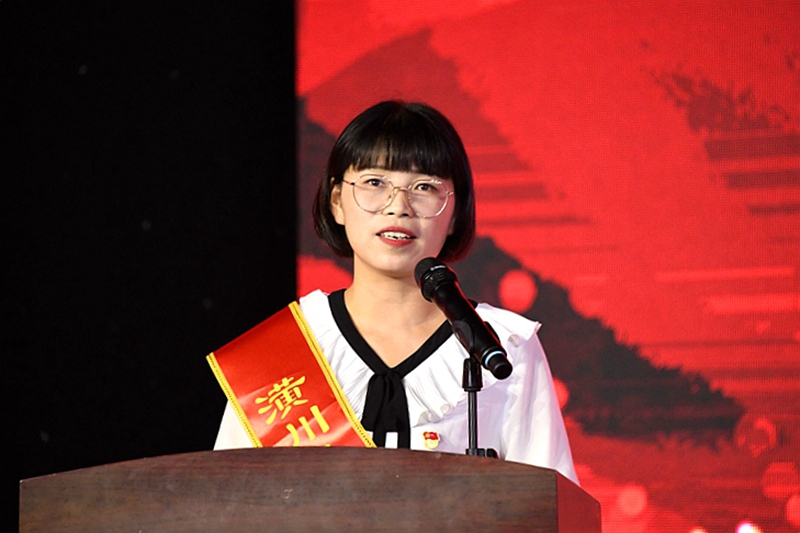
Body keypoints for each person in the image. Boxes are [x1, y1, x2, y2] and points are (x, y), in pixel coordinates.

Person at [210, 100, 578, 484]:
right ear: (336, 202)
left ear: (455, 212)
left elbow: (553, 504)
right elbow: (224, 501)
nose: (398, 207)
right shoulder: (284, 347)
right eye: (374, 183)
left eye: (424, 187)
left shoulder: (503, 347)